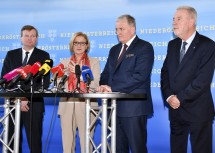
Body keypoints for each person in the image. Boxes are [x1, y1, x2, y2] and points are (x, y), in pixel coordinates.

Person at [161, 6, 215, 153]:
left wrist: (180, 97)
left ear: (192, 21)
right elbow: (165, 73)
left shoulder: (207, 45)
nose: (174, 22)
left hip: (198, 110)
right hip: (175, 110)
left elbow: (203, 80)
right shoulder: (172, 45)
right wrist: (169, 96)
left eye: (179, 19)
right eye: (173, 19)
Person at [97, 14, 154, 153]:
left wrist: (112, 88)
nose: (118, 32)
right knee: (117, 148)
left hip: (134, 108)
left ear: (132, 29)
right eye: (116, 29)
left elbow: (140, 76)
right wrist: (102, 86)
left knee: (137, 148)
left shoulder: (144, 47)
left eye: (121, 29)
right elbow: (106, 74)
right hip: (113, 108)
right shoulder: (114, 49)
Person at [1, 25, 50, 153]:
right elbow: (5, 79)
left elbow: (43, 83)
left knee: (34, 143)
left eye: (33, 36)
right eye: (27, 36)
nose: (29, 39)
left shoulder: (44, 56)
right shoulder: (11, 55)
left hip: (34, 104)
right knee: (12, 141)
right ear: (21, 38)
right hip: (12, 104)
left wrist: (26, 97)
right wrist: (19, 97)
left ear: (37, 38)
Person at [57, 32, 100, 153]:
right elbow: (58, 86)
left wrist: (79, 73)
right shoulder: (64, 63)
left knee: (86, 144)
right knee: (67, 144)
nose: (79, 45)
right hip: (67, 105)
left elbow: (95, 85)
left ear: (87, 45)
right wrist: (61, 75)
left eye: (82, 43)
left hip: (87, 105)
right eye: (76, 42)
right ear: (72, 45)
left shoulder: (94, 62)